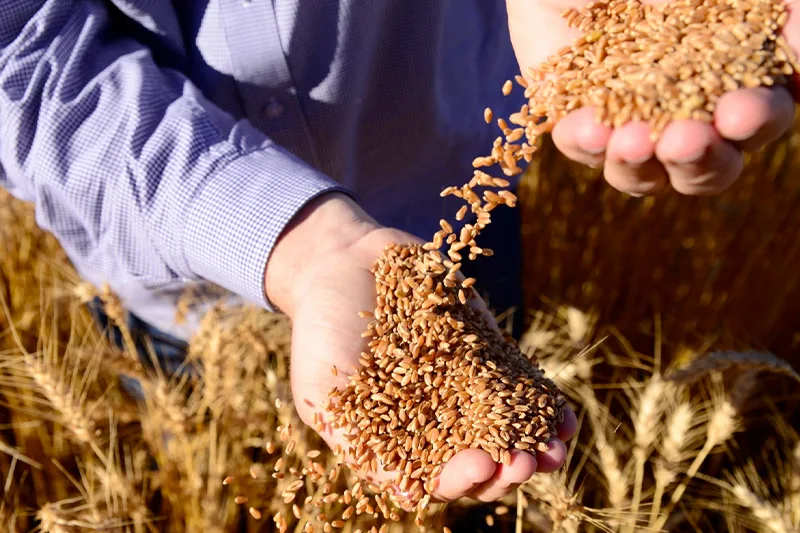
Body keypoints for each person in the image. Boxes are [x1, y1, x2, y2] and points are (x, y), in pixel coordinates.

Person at [0, 0, 796, 503]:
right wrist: (303, 245)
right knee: (202, 461)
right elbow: (22, 57)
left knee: (490, 415)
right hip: (166, 271)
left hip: (456, 218)